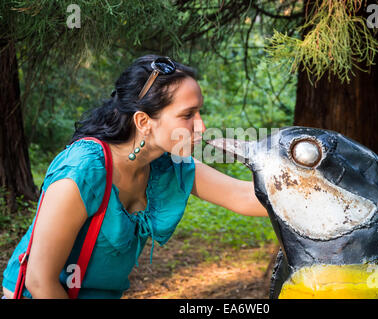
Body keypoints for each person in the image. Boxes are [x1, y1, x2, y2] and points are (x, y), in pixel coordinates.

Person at [2, 55, 268, 299]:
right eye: (187, 115)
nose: (201, 126)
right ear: (143, 122)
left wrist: (305, 192)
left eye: (199, 113)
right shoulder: (83, 169)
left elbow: (245, 196)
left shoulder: (166, 164)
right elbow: (39, 281)